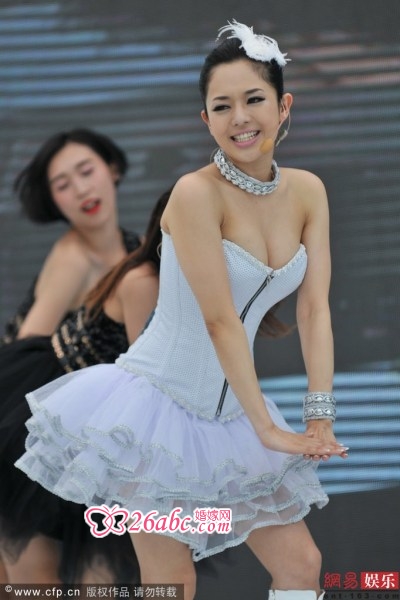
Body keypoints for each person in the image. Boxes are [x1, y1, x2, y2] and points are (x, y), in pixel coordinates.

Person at [15, 21, 348, 600]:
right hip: (152, 416)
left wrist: (320, 417)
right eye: (222, 106)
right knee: (171, 582)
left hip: (233, 415)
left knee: (301, 566)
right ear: (206, 119)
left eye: (254, 100)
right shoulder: (195, 193)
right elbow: (219, 320)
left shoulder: (308, 191)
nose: (240, 118)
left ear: (283, 105)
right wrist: (268, 430)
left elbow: (315, 310)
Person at [0, 187, 171, 584]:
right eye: (62, 183)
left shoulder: (134, 251)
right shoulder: (141, 278)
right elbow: (149, 381)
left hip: (89, 423)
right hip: (49, 410)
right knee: (33, 576)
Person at [0, 128, 141, 345]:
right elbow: (24, 352)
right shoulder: (73, 260)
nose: (81, 190)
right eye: (63, 186)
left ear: (113, 170)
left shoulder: (138, 245)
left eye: (86, 172)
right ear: (53, 201)